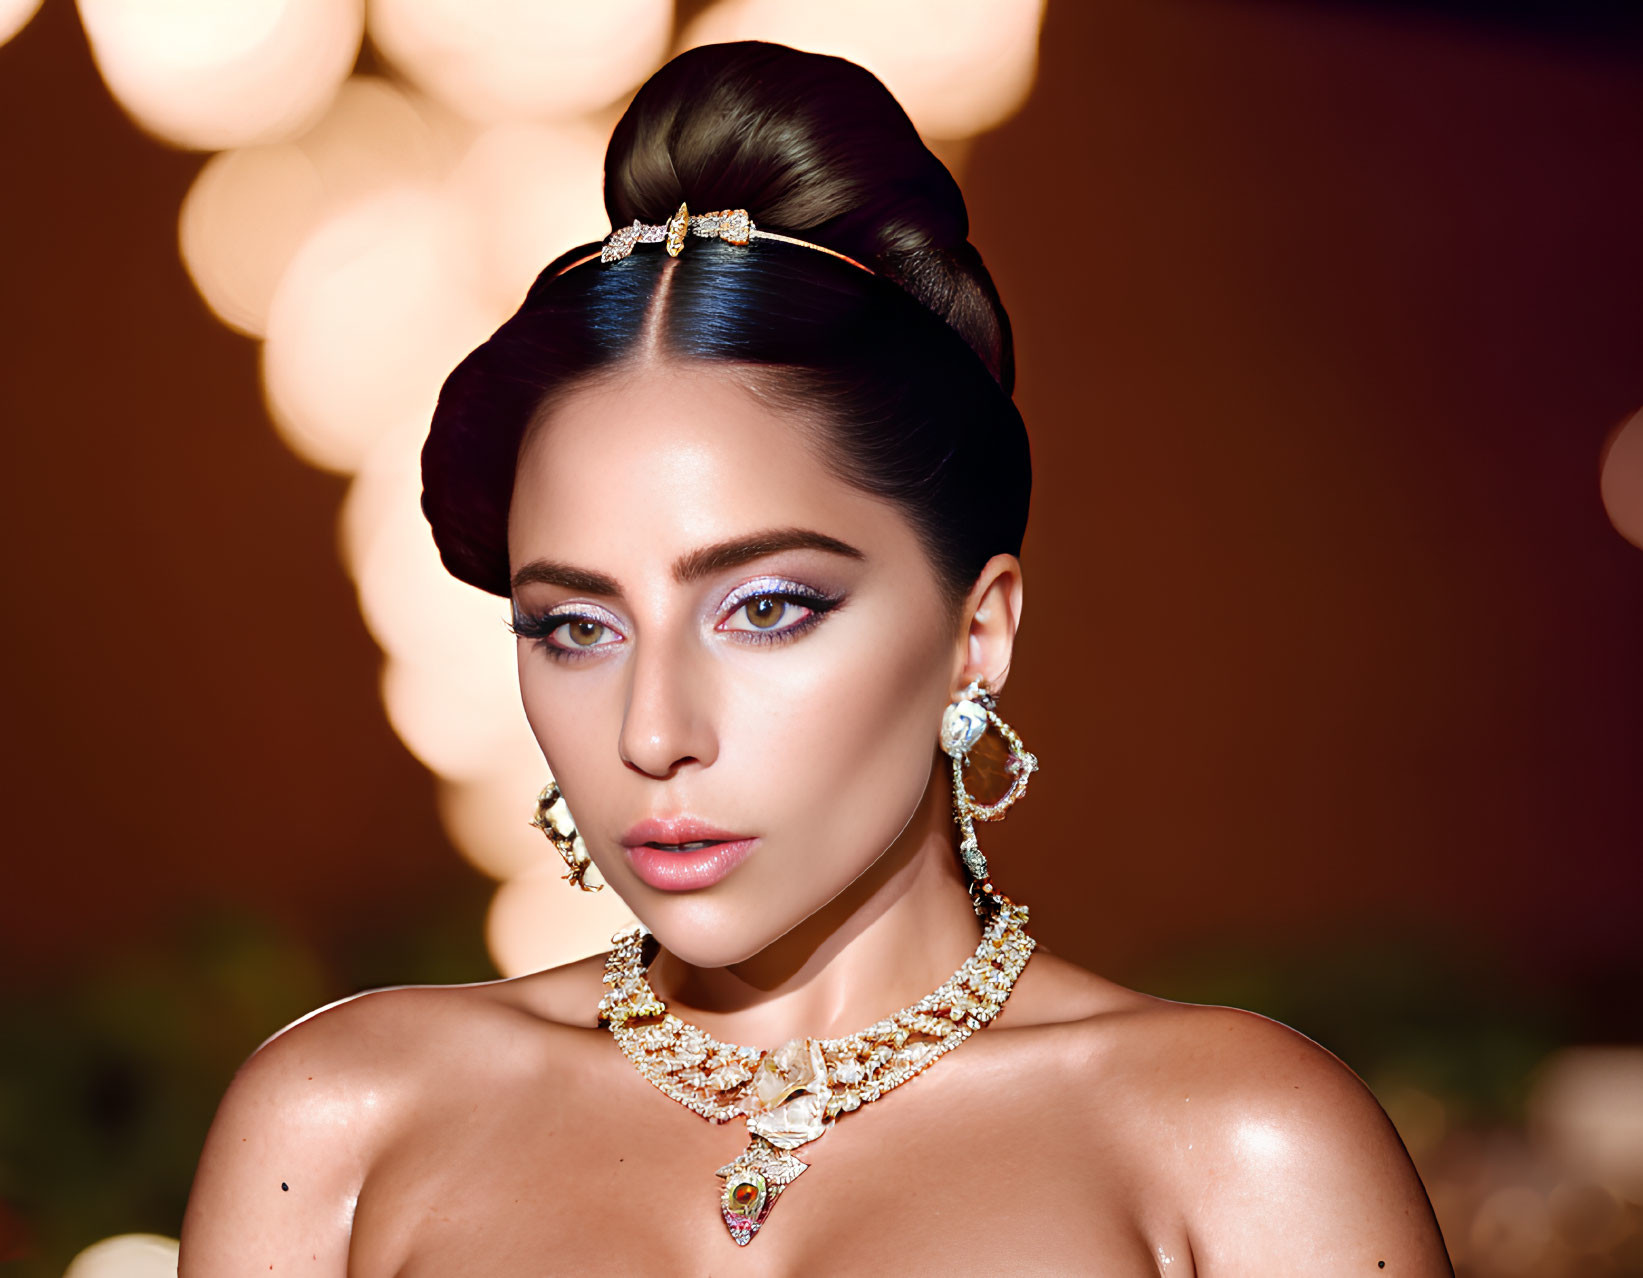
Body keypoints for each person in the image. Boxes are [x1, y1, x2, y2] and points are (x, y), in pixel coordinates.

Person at [180, 41, 1452, 1274]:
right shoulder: (343, 1127)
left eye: (768, 608)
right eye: (577, 626)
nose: (651, 730)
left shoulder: (1235, 1151)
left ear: (977, 631)